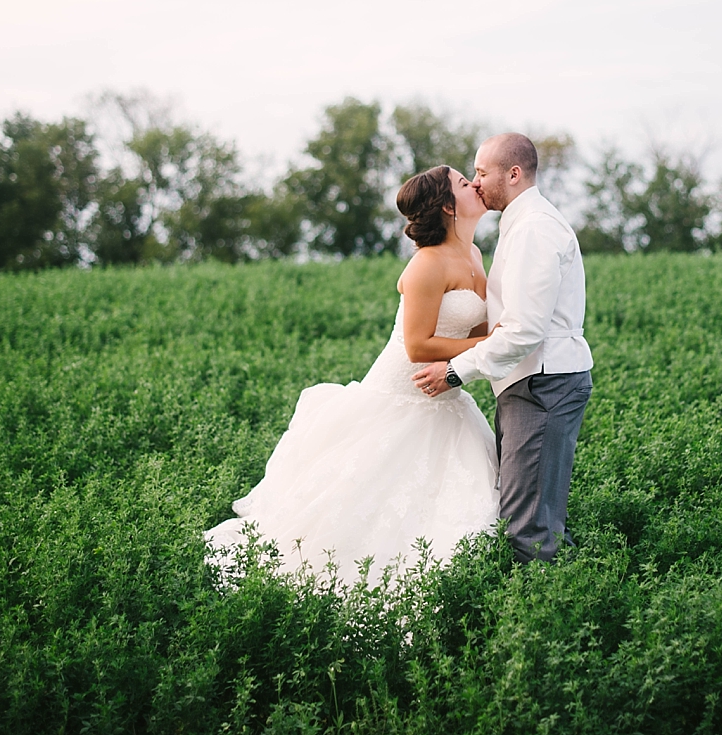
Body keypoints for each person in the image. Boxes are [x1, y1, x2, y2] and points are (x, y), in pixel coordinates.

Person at [204, 165, 500, 587]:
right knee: (362, 501)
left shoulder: (473, 255)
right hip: (403, 390)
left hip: (445, 395)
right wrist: (494, 343)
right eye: (463, 182)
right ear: (449, 206)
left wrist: (500, 341)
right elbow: (417, 346)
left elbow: (476, 333)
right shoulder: (426, 266)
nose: (474, 184)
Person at [413, 133, 593, 563]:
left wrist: (455, 370)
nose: (475, 183)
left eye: (481, 172)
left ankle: (542, 617)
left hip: (543, 385)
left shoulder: (533, 229)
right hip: (530, 383)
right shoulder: (520, 225)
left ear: (513, 174)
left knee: (528, 524)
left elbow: (523, 330)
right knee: (530, 515)